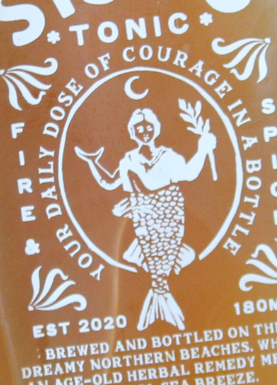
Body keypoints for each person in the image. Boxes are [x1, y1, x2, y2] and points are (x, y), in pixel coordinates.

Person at [75, 105, 217, 330]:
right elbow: (109, 183)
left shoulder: (169, 156)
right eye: (138, 128)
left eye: (148, 126)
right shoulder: (128, 160)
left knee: (170, 254)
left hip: (169, 217)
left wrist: (202, 149)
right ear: (132, 132)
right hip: (145, 220)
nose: (144, 131)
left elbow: (189, 174)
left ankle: (161, 293)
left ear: (156, 129)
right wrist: (92, 162)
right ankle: (159, 293)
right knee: (151, 254)